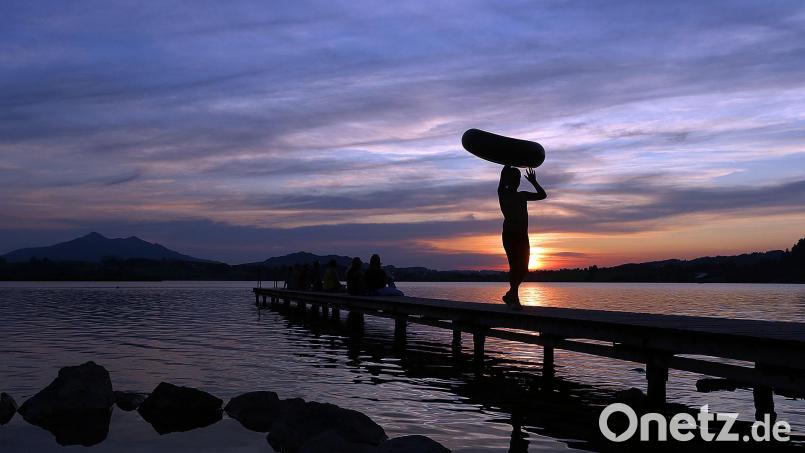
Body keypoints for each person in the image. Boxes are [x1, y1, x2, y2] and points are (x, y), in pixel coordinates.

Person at [498, 165, 546, 309]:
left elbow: (542, 195)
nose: (517, 181)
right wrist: (510, 160)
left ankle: (511, 294)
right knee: (514, 267)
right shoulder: (502, 192)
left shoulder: (522, 195)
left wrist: (534, 181)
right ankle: (514, 298)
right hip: (510, 235)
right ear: (508, 180)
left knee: (524, 269)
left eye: (518, 178)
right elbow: (503, 172)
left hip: (523, 236)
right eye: (515, 178)